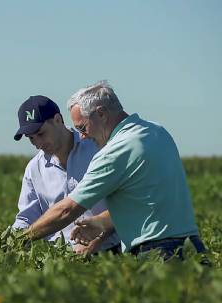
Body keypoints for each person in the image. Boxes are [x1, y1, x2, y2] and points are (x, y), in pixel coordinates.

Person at [21, 81, 207, 260]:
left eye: (83, 128)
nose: (83, 137)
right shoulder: (157, 132)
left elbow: (67, 211)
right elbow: (144, 202)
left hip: (158, 253)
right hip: (192, 247)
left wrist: (20, 239)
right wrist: (102, 224)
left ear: (101, 114)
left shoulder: (115, 151)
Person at [12, 95, 120, 254]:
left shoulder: (97, 149)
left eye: (41, 134)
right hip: (61, 259)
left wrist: (99, 237)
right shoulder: (34, 169)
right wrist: (8, 241)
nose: (38, 144)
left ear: (58, 120)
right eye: (31, 139)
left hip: (111, 252)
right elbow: (26, 219)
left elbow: (126, 202)